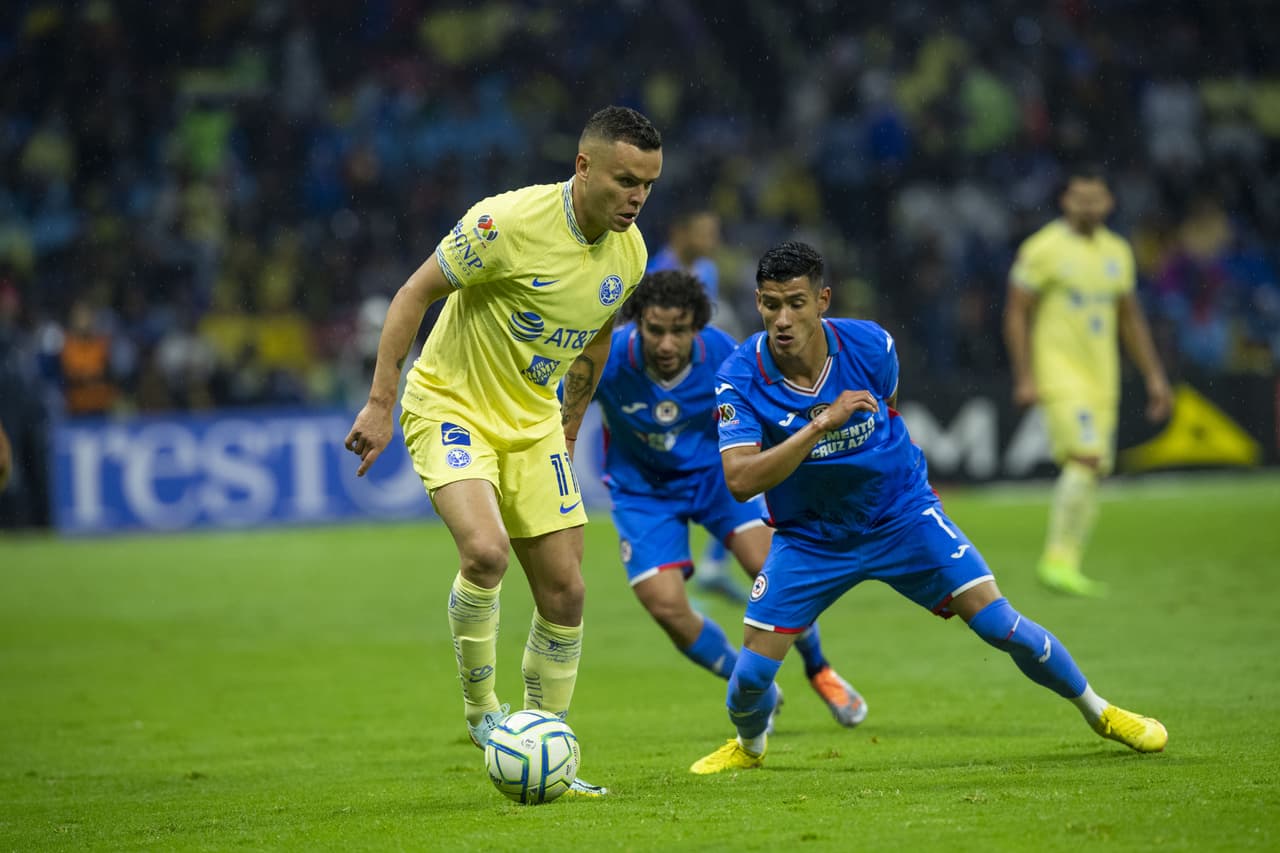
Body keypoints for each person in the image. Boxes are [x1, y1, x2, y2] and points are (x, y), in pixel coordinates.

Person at [690, 241, 1168, 774]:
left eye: (796, 302)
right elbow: (738, 481)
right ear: (757, 302)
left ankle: (1101, 713)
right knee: (751, 680)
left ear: (823, 299)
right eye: (771, 304)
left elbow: (887, 411)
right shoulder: (739, 375)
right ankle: (750, 747)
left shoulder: (872, 347)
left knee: (999, 625)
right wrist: (821, 425)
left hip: (900, 516)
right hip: (811, 538)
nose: (783, 318)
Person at [344, 106, 664, 798]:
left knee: (567, 588)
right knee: (485, 551)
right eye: (624, 180)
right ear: (584, 167)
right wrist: (380, 400)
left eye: (648, 184)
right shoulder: (506, 223)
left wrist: (571, 424)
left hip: (533, 422)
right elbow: (413, 294)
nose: (636, 197)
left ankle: (546, 742)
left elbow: (598, 337)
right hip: (451, 404)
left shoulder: (630, 253)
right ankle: (483, 713)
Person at [591, 269, 867, 727]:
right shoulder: (609, 358)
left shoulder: (723, 353)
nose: (665, 344)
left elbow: (773, 404)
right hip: (643, 492)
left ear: (696, 328)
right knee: (666, 607)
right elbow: (559, 407)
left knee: (770, 571)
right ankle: (754, 686)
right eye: (655, 331)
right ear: (636, 324)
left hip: (717, 479)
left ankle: (820, 669)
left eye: (678, 332)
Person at [1003, 164, 1172, 597]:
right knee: (1086, 459)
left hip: (1103, 377)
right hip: (1059, 372)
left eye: (1096, 198)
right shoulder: (1043, 249)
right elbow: (1016, 311)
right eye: (1080, 198)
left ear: (1109, 202)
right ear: (1065, 201)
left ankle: (1067, 562)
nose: (1088, 206)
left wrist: (1154, 376)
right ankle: (1056, 560)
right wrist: (1024, 375)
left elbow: (1131, 319)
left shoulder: (1117, 251)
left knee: (1094, 470)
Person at [646, 206, 748, 604]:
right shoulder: (654, 273)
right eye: (704, 233)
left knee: (731, 461)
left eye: (714, 233)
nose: (711, 242)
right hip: (666, 392)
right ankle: (686, 572)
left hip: (703, 380)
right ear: (680, 232)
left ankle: (710, 565)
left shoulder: (706, 270)